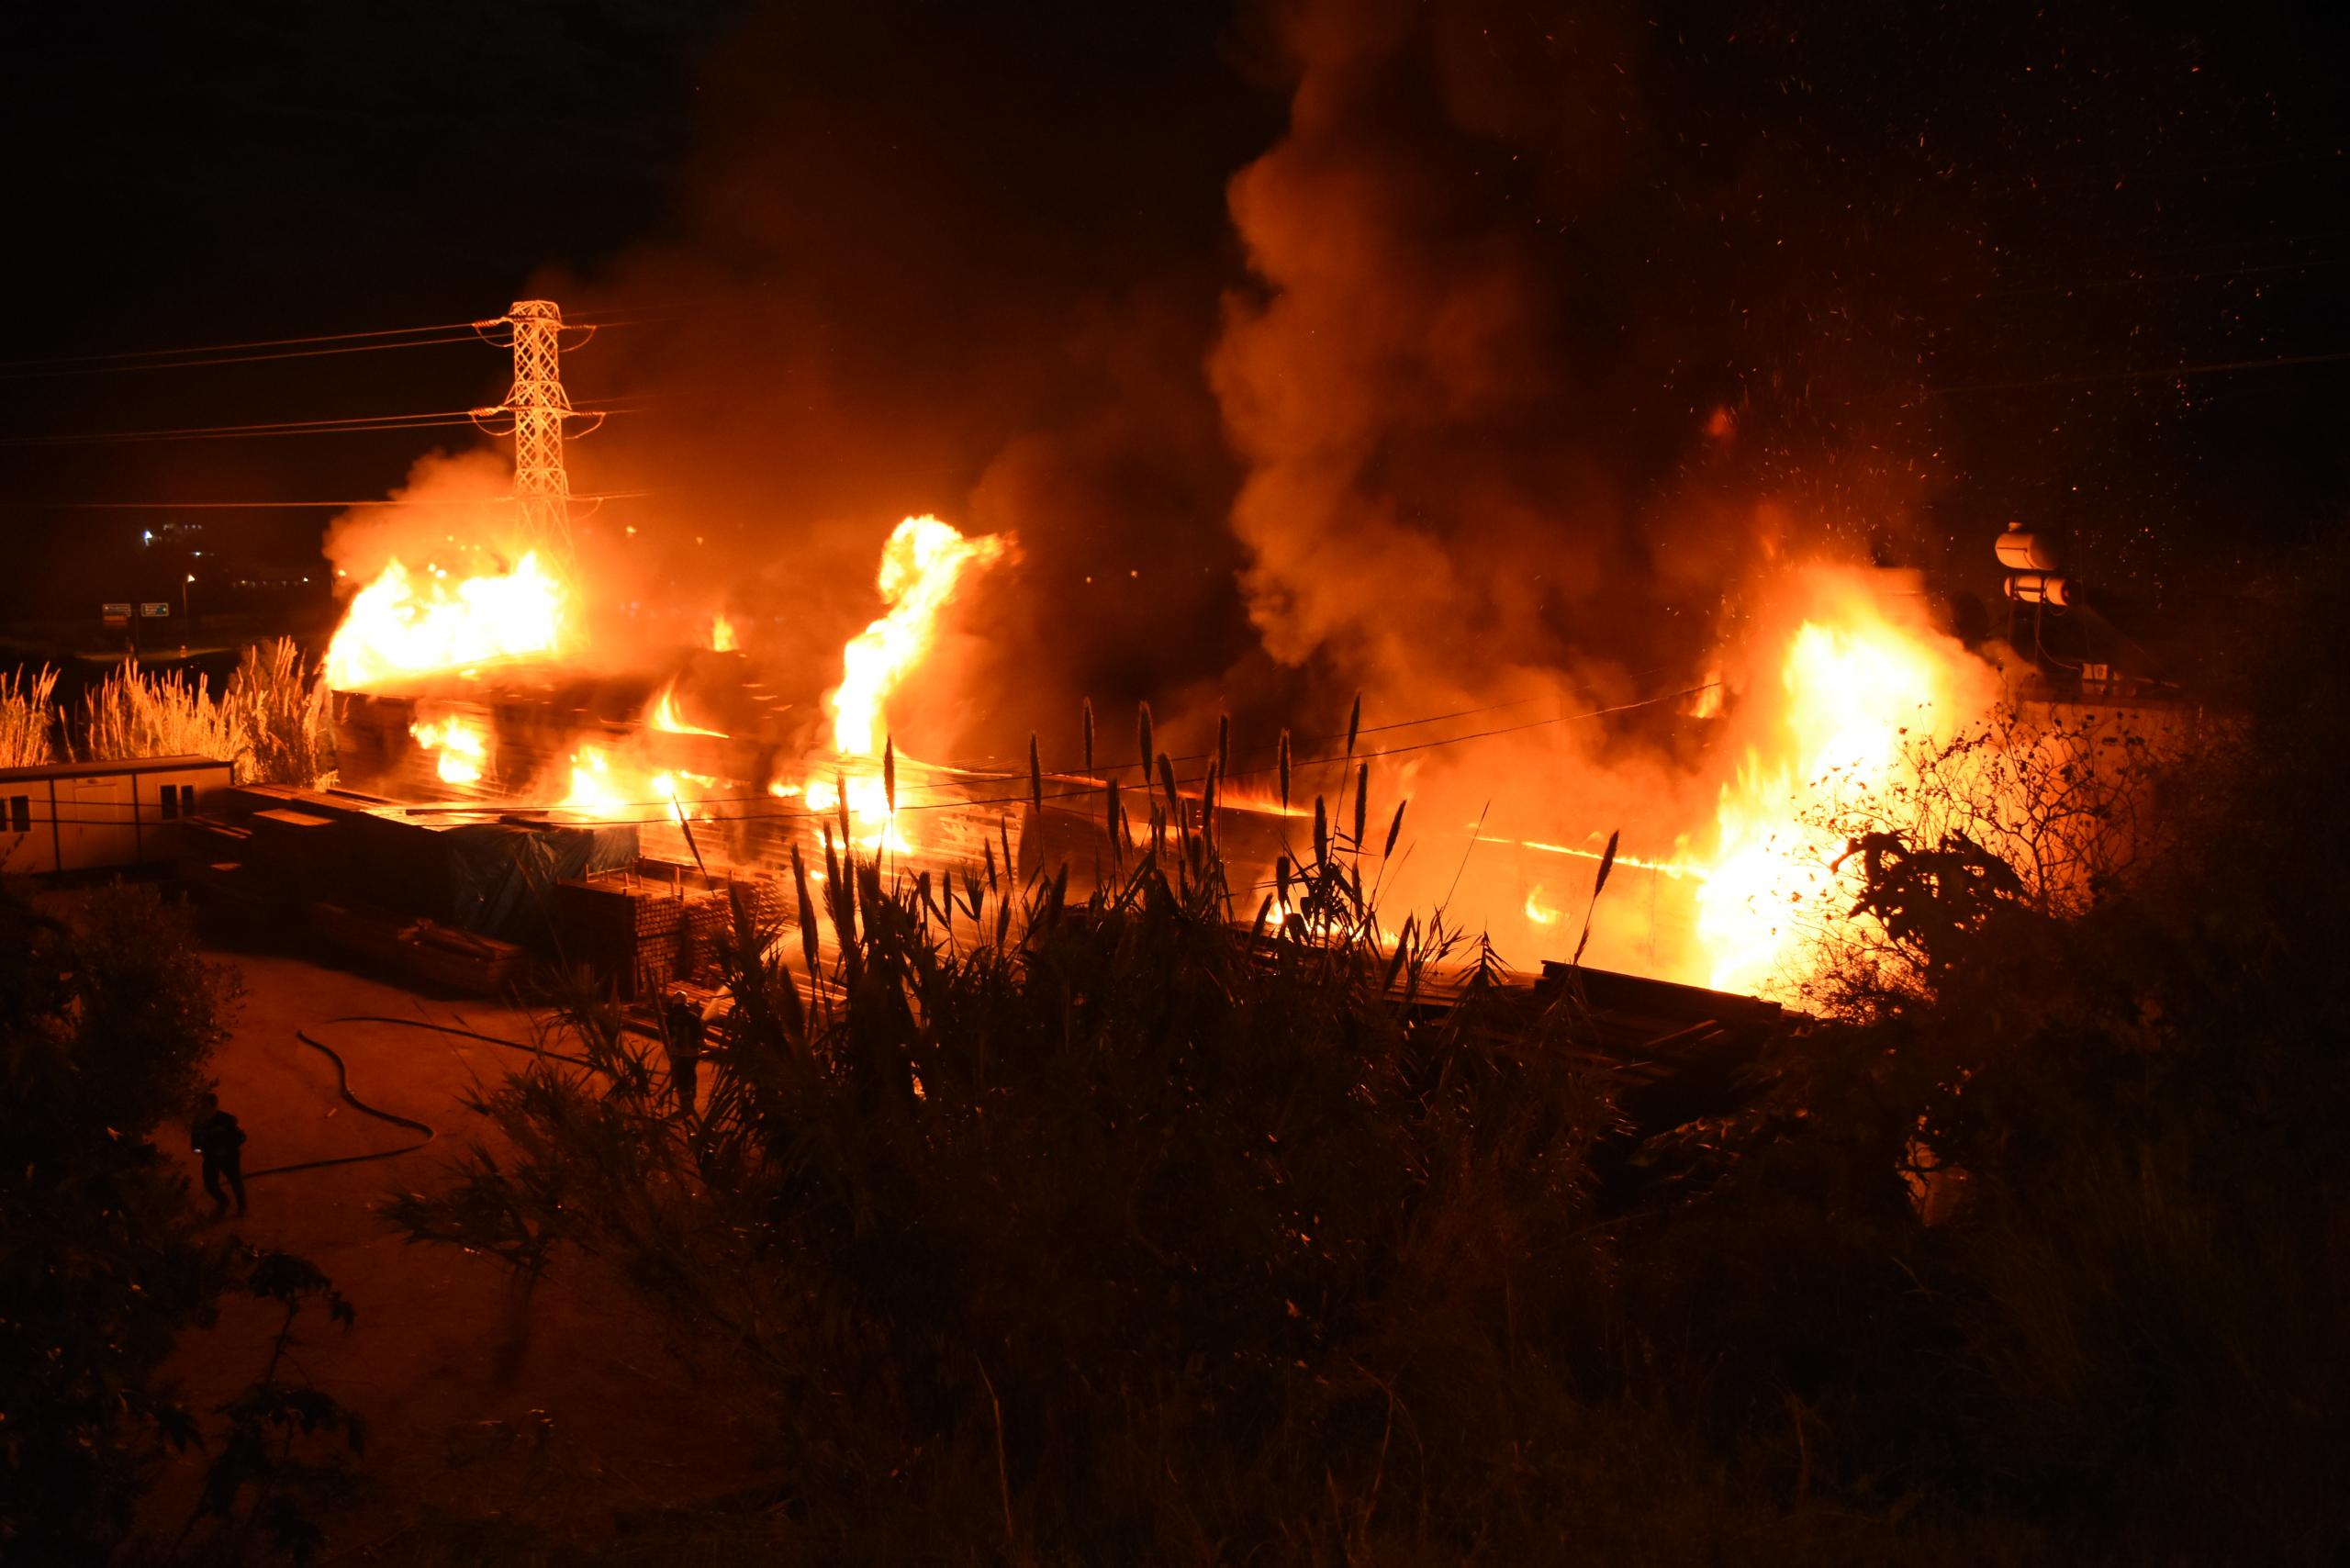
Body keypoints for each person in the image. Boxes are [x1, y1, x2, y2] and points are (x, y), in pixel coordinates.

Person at [192, 1092, 248, 1218]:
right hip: (210, 1158)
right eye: (200, 1106)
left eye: (205, 1106)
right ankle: (223, 1202)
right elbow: (195, 1142)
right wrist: (199, 1150)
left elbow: (241, 1137)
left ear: (214, 1107)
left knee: (235, 1181)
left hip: (229, 1157)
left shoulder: (227, 1120)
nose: (202, 1110)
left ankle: (242, 1207)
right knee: (209, 1184)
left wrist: (226, 1149)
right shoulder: (198, 1123)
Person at [662, 990, 706, 1119]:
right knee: (691, 1074)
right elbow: (699, 1036)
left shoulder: (669, 1017)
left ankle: (685, 1105)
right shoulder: (694, 1017)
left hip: (678, 1054)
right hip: (693, 1054)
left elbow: (669, 1034)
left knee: (681, 1079)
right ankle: (690, 1100)